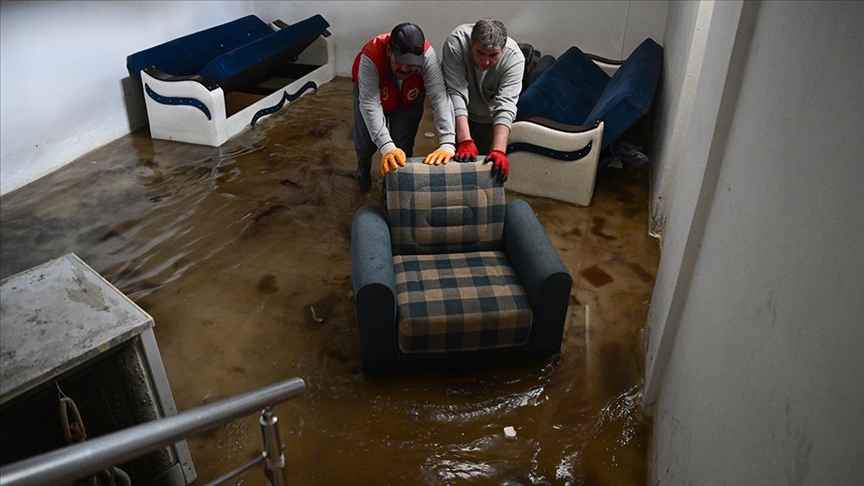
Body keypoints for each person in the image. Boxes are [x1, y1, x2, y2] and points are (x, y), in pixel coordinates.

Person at [352, 22, 456, 192]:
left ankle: (391, 190)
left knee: (403, 147)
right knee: (365, 141)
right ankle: (363, 165)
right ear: (389, 51)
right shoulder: (371, 56)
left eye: (412, 64)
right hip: (372, 94)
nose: (406, 68)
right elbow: (370, 104)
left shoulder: (428, 56)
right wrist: (386, 146)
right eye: (400, 62)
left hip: (409, 100)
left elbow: (439, 97)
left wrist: (448, 142)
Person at [441, 19, 525, 182]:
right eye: (480, 52)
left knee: (484, 172)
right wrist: (464, 140)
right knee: (451, 168)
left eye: (493, 55)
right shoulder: (456, 42)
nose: (485, 61)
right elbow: (456, 92)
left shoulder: (515, 59)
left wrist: (499, 150)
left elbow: (506, 106)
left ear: (503, 49)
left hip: (489, 117)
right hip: (454, 111)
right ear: (471, 43)